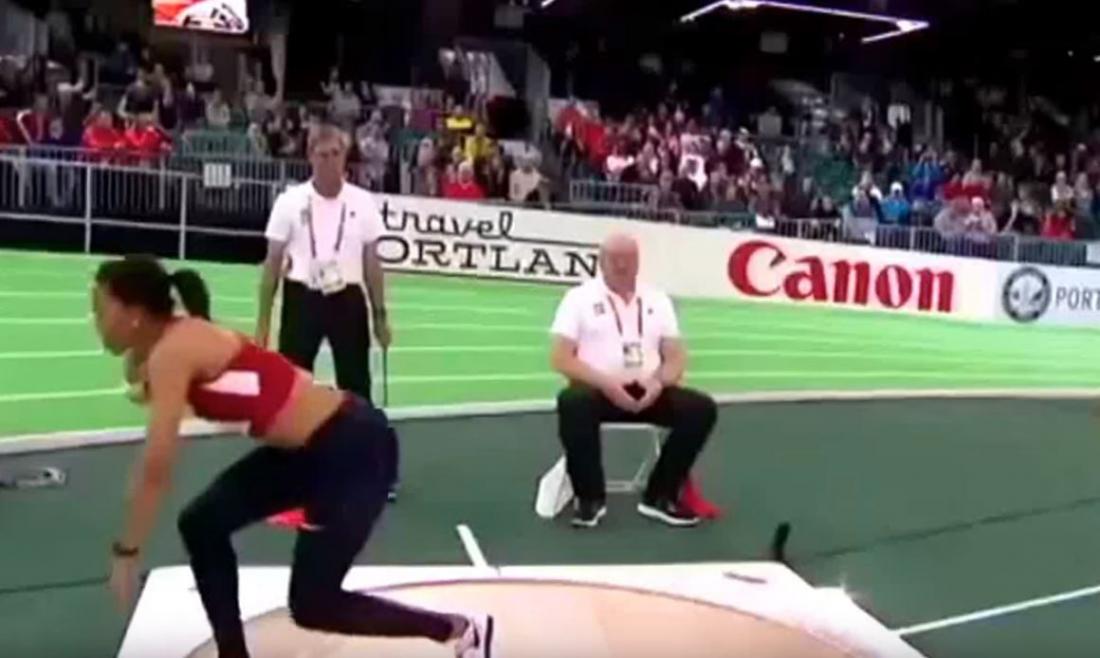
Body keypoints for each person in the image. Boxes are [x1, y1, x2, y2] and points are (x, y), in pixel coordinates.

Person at [94, 255, 493, 658]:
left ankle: (459, 628)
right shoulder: (174, 341)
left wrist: (128, 551)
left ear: (134, 314)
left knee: (313, 604)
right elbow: (137, 372)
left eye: (100, 309)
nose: (95, 320)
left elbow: (156, 467)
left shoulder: (174, 351)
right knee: (202, 522)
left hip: (352, 450)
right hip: (308, 452)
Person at [257, 123, 400, 500]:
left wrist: (380, 315)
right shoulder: (290, 201)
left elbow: (372, 263)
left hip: (347, 297)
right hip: (302, 296)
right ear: (309, 157)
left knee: (356, 385)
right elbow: (272, 263)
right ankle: (289, 467)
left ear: (345, 156)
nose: (329, 161)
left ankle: (368, 466)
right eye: (322, 154)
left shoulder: (362, 202)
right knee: (292, 384)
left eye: (336, 154)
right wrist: (263, 323)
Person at [549, 234, 717, 528]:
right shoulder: (578, 299)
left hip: (648, 390)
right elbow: (561, 358)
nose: (622, 265)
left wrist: (658, 383)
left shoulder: (657, 299)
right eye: (615, 258)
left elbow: (675, 356)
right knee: (572, 402)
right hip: (598, 390)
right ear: (601, 261)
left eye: (629, 258)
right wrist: (607, 384)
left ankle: (660, 496)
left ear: (638, 262)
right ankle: (589, 498)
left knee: (700, 409)